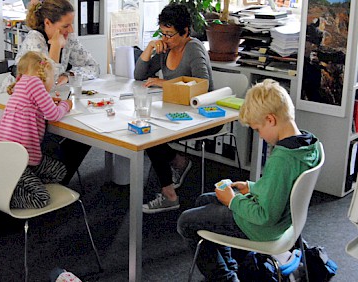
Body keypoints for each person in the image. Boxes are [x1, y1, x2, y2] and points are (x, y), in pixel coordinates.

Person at [176, 79, 322, 282]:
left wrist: (233, 201)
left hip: (262, 228)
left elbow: (265, 216)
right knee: (204, 200)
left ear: (270, 119)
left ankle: (224, 277)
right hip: (284, 221)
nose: (260, 136)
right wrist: (252, 188)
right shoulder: (309, 145)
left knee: (185, 222)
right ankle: (231, 266)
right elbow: (282, 188)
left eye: (257, 129)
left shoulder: (282, 159)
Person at [0, 0, 100, 185]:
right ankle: (41, 179)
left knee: (84, 135)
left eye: (71, 24)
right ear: (47, 23)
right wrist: (54, 49)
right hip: (20, 116)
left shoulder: (69, 38)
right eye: (65, 25)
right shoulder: (34, 41)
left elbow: (94, 67)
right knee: (78, 136)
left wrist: (70, 75)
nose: (70, 30)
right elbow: (43, 83)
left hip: (46, 105)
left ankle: (52, 178)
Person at [134, 3, 215, 214]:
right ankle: (178, 163)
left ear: (185, 32)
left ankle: (170, 193)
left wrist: (163, 83)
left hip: (202, 115)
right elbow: (139, 75)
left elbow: (201, 83)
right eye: (163, 33)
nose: (165, 39)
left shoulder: (194, 48)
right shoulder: (164, 49)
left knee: (150, 135)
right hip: (174, 109)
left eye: (170, 34)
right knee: (146, 130)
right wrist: (150, 48)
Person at [0, 50, 72, 209]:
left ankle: (16, 184)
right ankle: (3, 197)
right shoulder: (35, 83)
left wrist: (47, 101)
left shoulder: (23, 83)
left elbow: (31, 105)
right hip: (17, 160)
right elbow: (53, 115)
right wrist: (66, 105)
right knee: (41, 199)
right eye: (53, 78)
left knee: (59, 171)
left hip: (10, 154)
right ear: (44, 76)